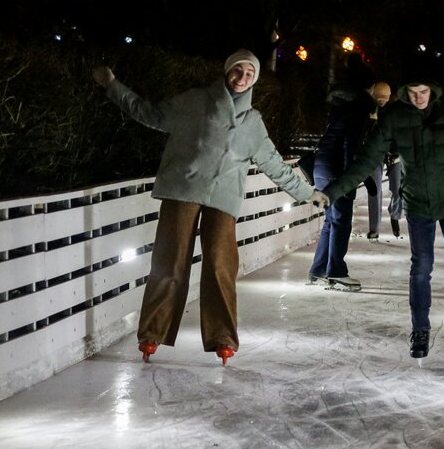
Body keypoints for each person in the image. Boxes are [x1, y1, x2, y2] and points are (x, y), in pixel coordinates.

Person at [92, 50, 329, 364]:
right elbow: (149, 114)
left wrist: (307, 192)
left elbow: (274, 164)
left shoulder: (253, 123)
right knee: (170, 261)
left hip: (224, 199)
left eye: (249, 74)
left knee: (220, 265)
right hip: (183, 190)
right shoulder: (195, 101)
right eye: (238, 71)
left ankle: (223, 338)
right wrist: (112, 85)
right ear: (227, 71)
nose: (242, 78)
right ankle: (152, 333)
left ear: (255, 79)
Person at [321, 77, 444, 363]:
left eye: (424, 91)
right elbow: (366, 161)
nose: (418, 98)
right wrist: (331, 192)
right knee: (421, 268)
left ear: (435, 90)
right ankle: (420, 331)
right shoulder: (395, 116)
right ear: (404, 93)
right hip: (418, 203)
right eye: (413, 93)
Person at [307, 53, 376, 291]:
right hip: (337, 170)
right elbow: (351, 147)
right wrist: (348, 182)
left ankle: (318, 270)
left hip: (323, 166)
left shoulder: (340, 107)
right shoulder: (358, 110)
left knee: (332, 220)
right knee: (341, 221)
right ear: (368, 89)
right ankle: (335, 271)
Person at [362, 81, 405, 239]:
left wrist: (397, 152)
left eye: (384, 98)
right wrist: (371, 121)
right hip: (375, 155)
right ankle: (374, 229)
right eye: (379, 97)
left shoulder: (395, 112)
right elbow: (364, 135)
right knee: (375, 190)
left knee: (397, 188)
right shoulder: (367, 111)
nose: (381, 100)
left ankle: (395, 215)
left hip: (394, 153)